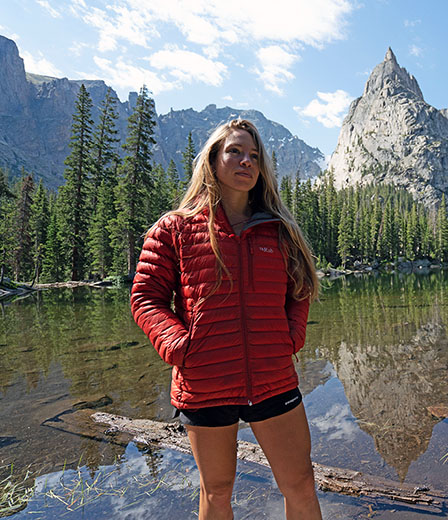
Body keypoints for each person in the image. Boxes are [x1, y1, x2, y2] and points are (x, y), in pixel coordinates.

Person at [130, 119, 322, 520]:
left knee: (300, 484)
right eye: (234, 151)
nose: (245, 161)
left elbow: (300, 289)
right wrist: (180, 346)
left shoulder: (279, 231)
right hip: (205, 381)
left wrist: (290, 338)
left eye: (254, 155)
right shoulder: (176, 228)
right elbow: (146, 297)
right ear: (213, 159)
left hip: (273, 379)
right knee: (216, 492)